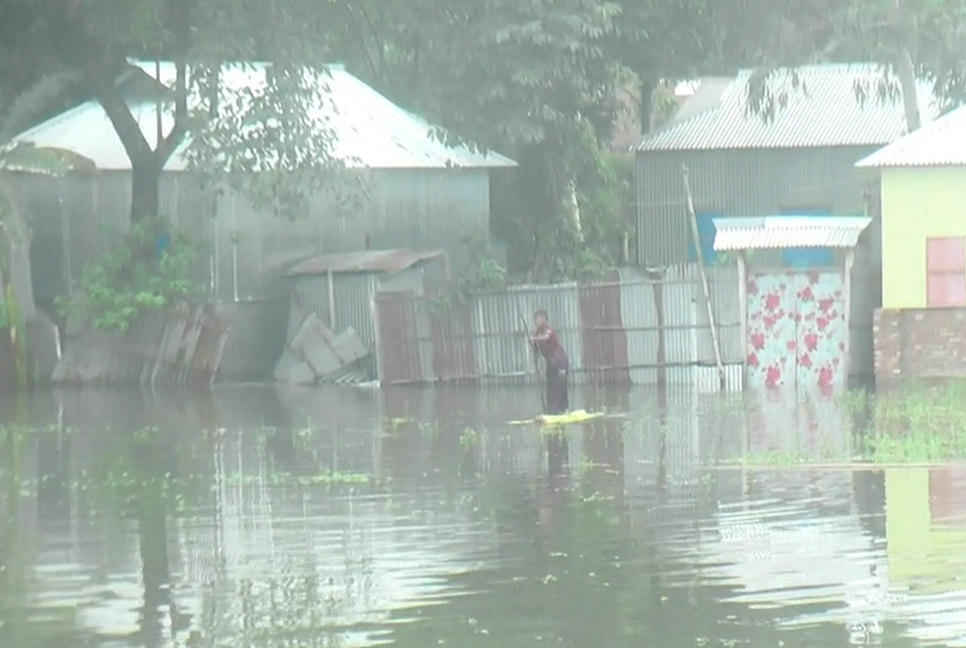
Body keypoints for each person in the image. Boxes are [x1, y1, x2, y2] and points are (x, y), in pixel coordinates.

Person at [530, 309, 569, 415]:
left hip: (560, 361)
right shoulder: (537, 334)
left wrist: (535, 339)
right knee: (550, 387)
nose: (540, 321)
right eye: (538, 319)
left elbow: (546, 337)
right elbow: (536, 351)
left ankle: (563, 409)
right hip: (550, 362)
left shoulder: (548, 331)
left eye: (542, 319)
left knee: (560, 385)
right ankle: (551, 410)